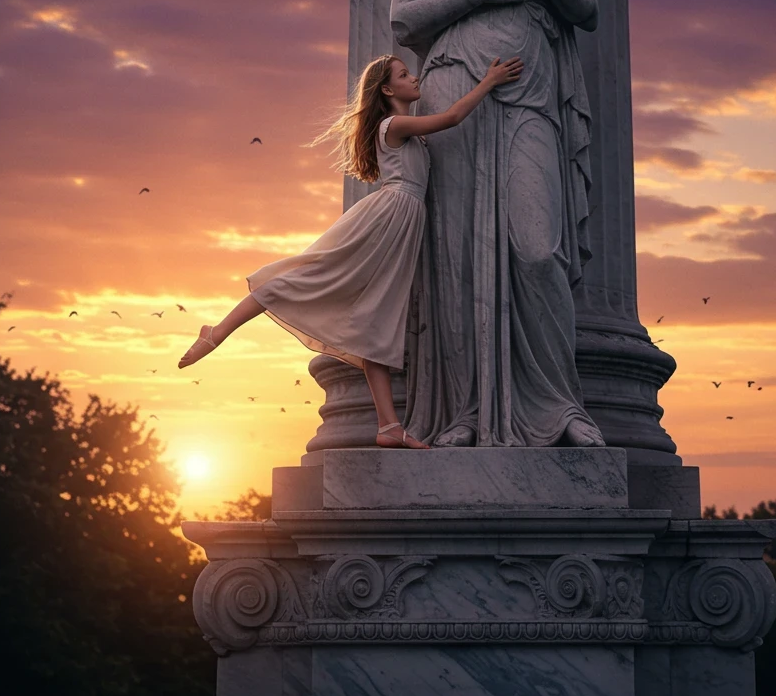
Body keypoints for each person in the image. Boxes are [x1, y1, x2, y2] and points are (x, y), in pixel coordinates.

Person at [389, 0, 606, 447]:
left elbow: (589, 8)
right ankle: (465, 414)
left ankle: (557, 407)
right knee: (456, 257)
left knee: (536, 248)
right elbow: (403, 20)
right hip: (455, 85)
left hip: (533, 89)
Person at [176, 52, 523, 450]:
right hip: (387, 216)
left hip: (403, 222)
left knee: (377, 318)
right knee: (314, 276)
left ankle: (388, 426)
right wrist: (488, 81)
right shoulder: (393, 124)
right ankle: (217, 331)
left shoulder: (404, 128)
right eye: (405, 75)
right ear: (388, 90)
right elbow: (451, 118)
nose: (415, 79)